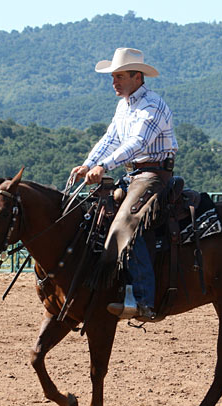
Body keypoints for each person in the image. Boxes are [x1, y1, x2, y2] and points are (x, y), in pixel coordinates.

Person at [71, 47, 178, 320]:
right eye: (113, 76)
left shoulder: (152, 105)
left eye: (119, 76)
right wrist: (88, 163)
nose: (114, 82)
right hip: (133, 175)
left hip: (153, 176)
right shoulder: (124, 106)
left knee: (128, 222)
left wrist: (103, 166)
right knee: (95, 214)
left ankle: (144, 299)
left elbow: (137, 143)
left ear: (137, 77)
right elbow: (110, 139)